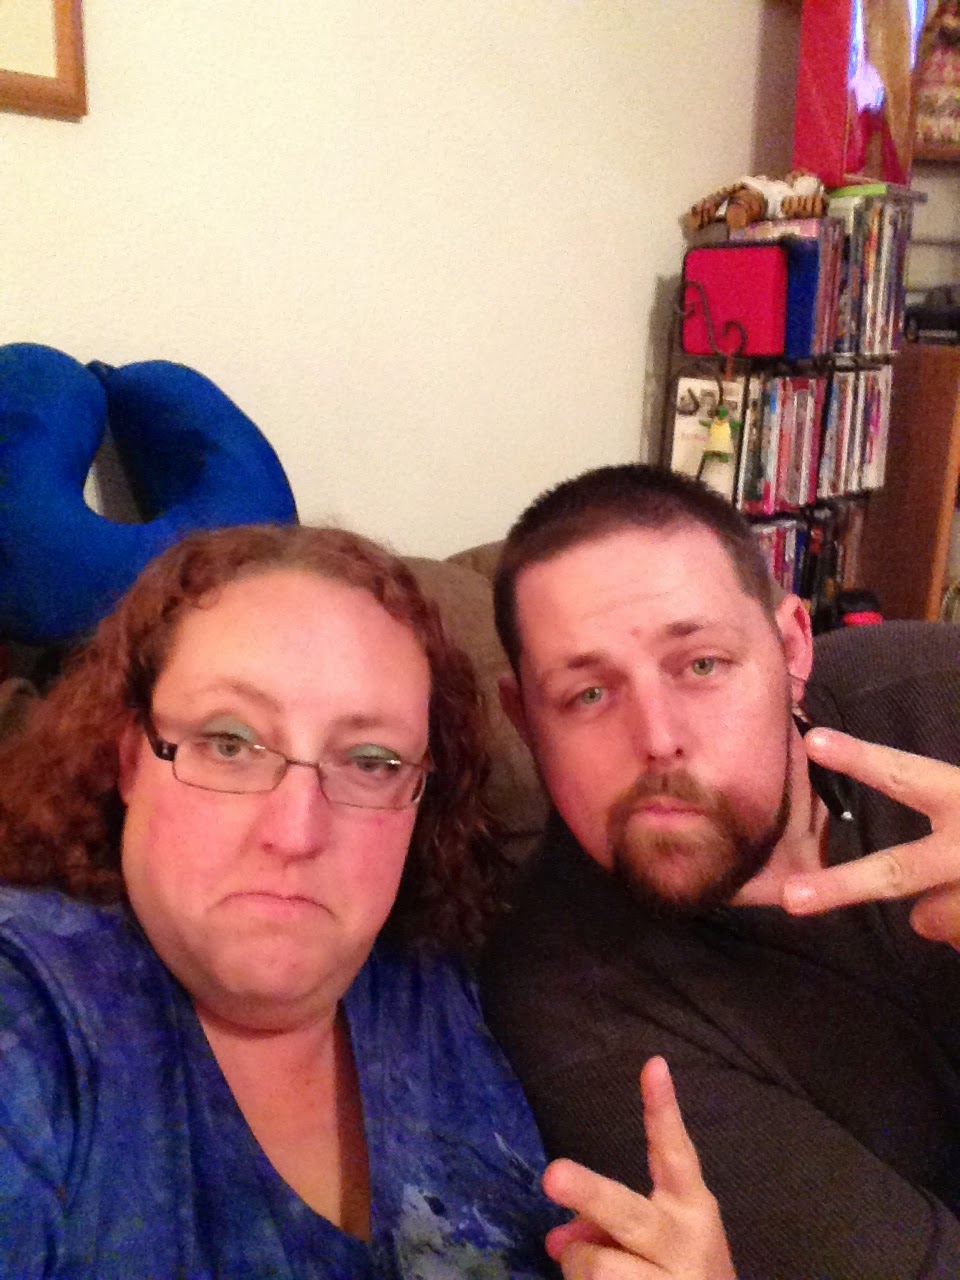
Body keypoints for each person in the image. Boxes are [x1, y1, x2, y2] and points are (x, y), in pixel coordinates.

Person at [0, 522, 735, 1280]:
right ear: (130, 759)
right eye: (228, 742)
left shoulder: (442, 985)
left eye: (371, 760)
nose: (295, 832)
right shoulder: (33, 1020)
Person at [479, 463, 960, 1280]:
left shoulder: (934, 689)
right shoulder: (579, 1014)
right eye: (587, 695)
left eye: (701, 664)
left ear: (793, 648)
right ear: (525, 720)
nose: (657, 740)